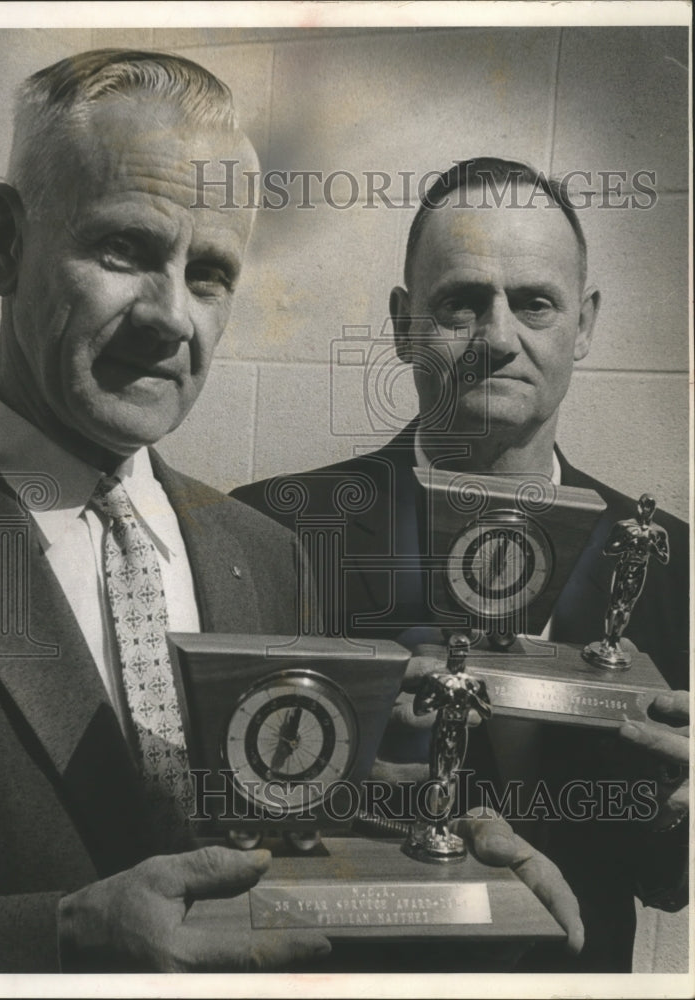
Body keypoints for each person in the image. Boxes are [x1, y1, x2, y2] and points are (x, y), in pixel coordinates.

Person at [0, 58, 582, 975]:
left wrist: (425, 828)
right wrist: (62, 937)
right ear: (5, 242)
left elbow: (277, 814)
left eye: (208, 274)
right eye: (123, 248)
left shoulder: (264, 555)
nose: (170, 317)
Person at [232, 157, 690, 972]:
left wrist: (677, 816)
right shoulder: (271, 533)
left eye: (535, 303)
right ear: (405, 322)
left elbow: (666, 884)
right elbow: (222, 833)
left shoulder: (671, 565)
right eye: (461, 303)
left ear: (583, 324)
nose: (499, 337)